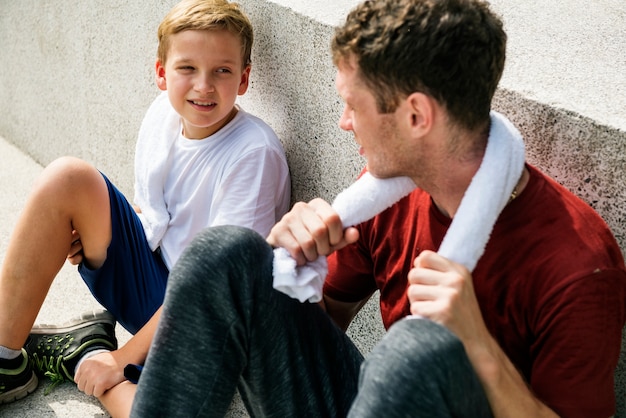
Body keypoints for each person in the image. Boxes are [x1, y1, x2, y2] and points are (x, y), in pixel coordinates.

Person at [130, 0, 626, 416]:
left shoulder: (578, 263)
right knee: (226, 253)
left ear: (416, 116)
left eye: (353, 104)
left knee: (415, 349)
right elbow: (325, 324)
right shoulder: (387, 195)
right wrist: (293, 263)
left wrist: (478, 349)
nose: (344, 123)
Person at [0, 0, 291, 415]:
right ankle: (5, 360)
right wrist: (106, 235)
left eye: (222, 71)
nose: (203, 86)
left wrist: (120, 360)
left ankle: (82, 353)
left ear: (244, 80)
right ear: (161, 73)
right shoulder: (164, 116)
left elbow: (220, 287)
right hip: (158, 283)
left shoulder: (253, 155)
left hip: (214, 321)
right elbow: (157, 213)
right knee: (67, 177)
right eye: (187, 68)